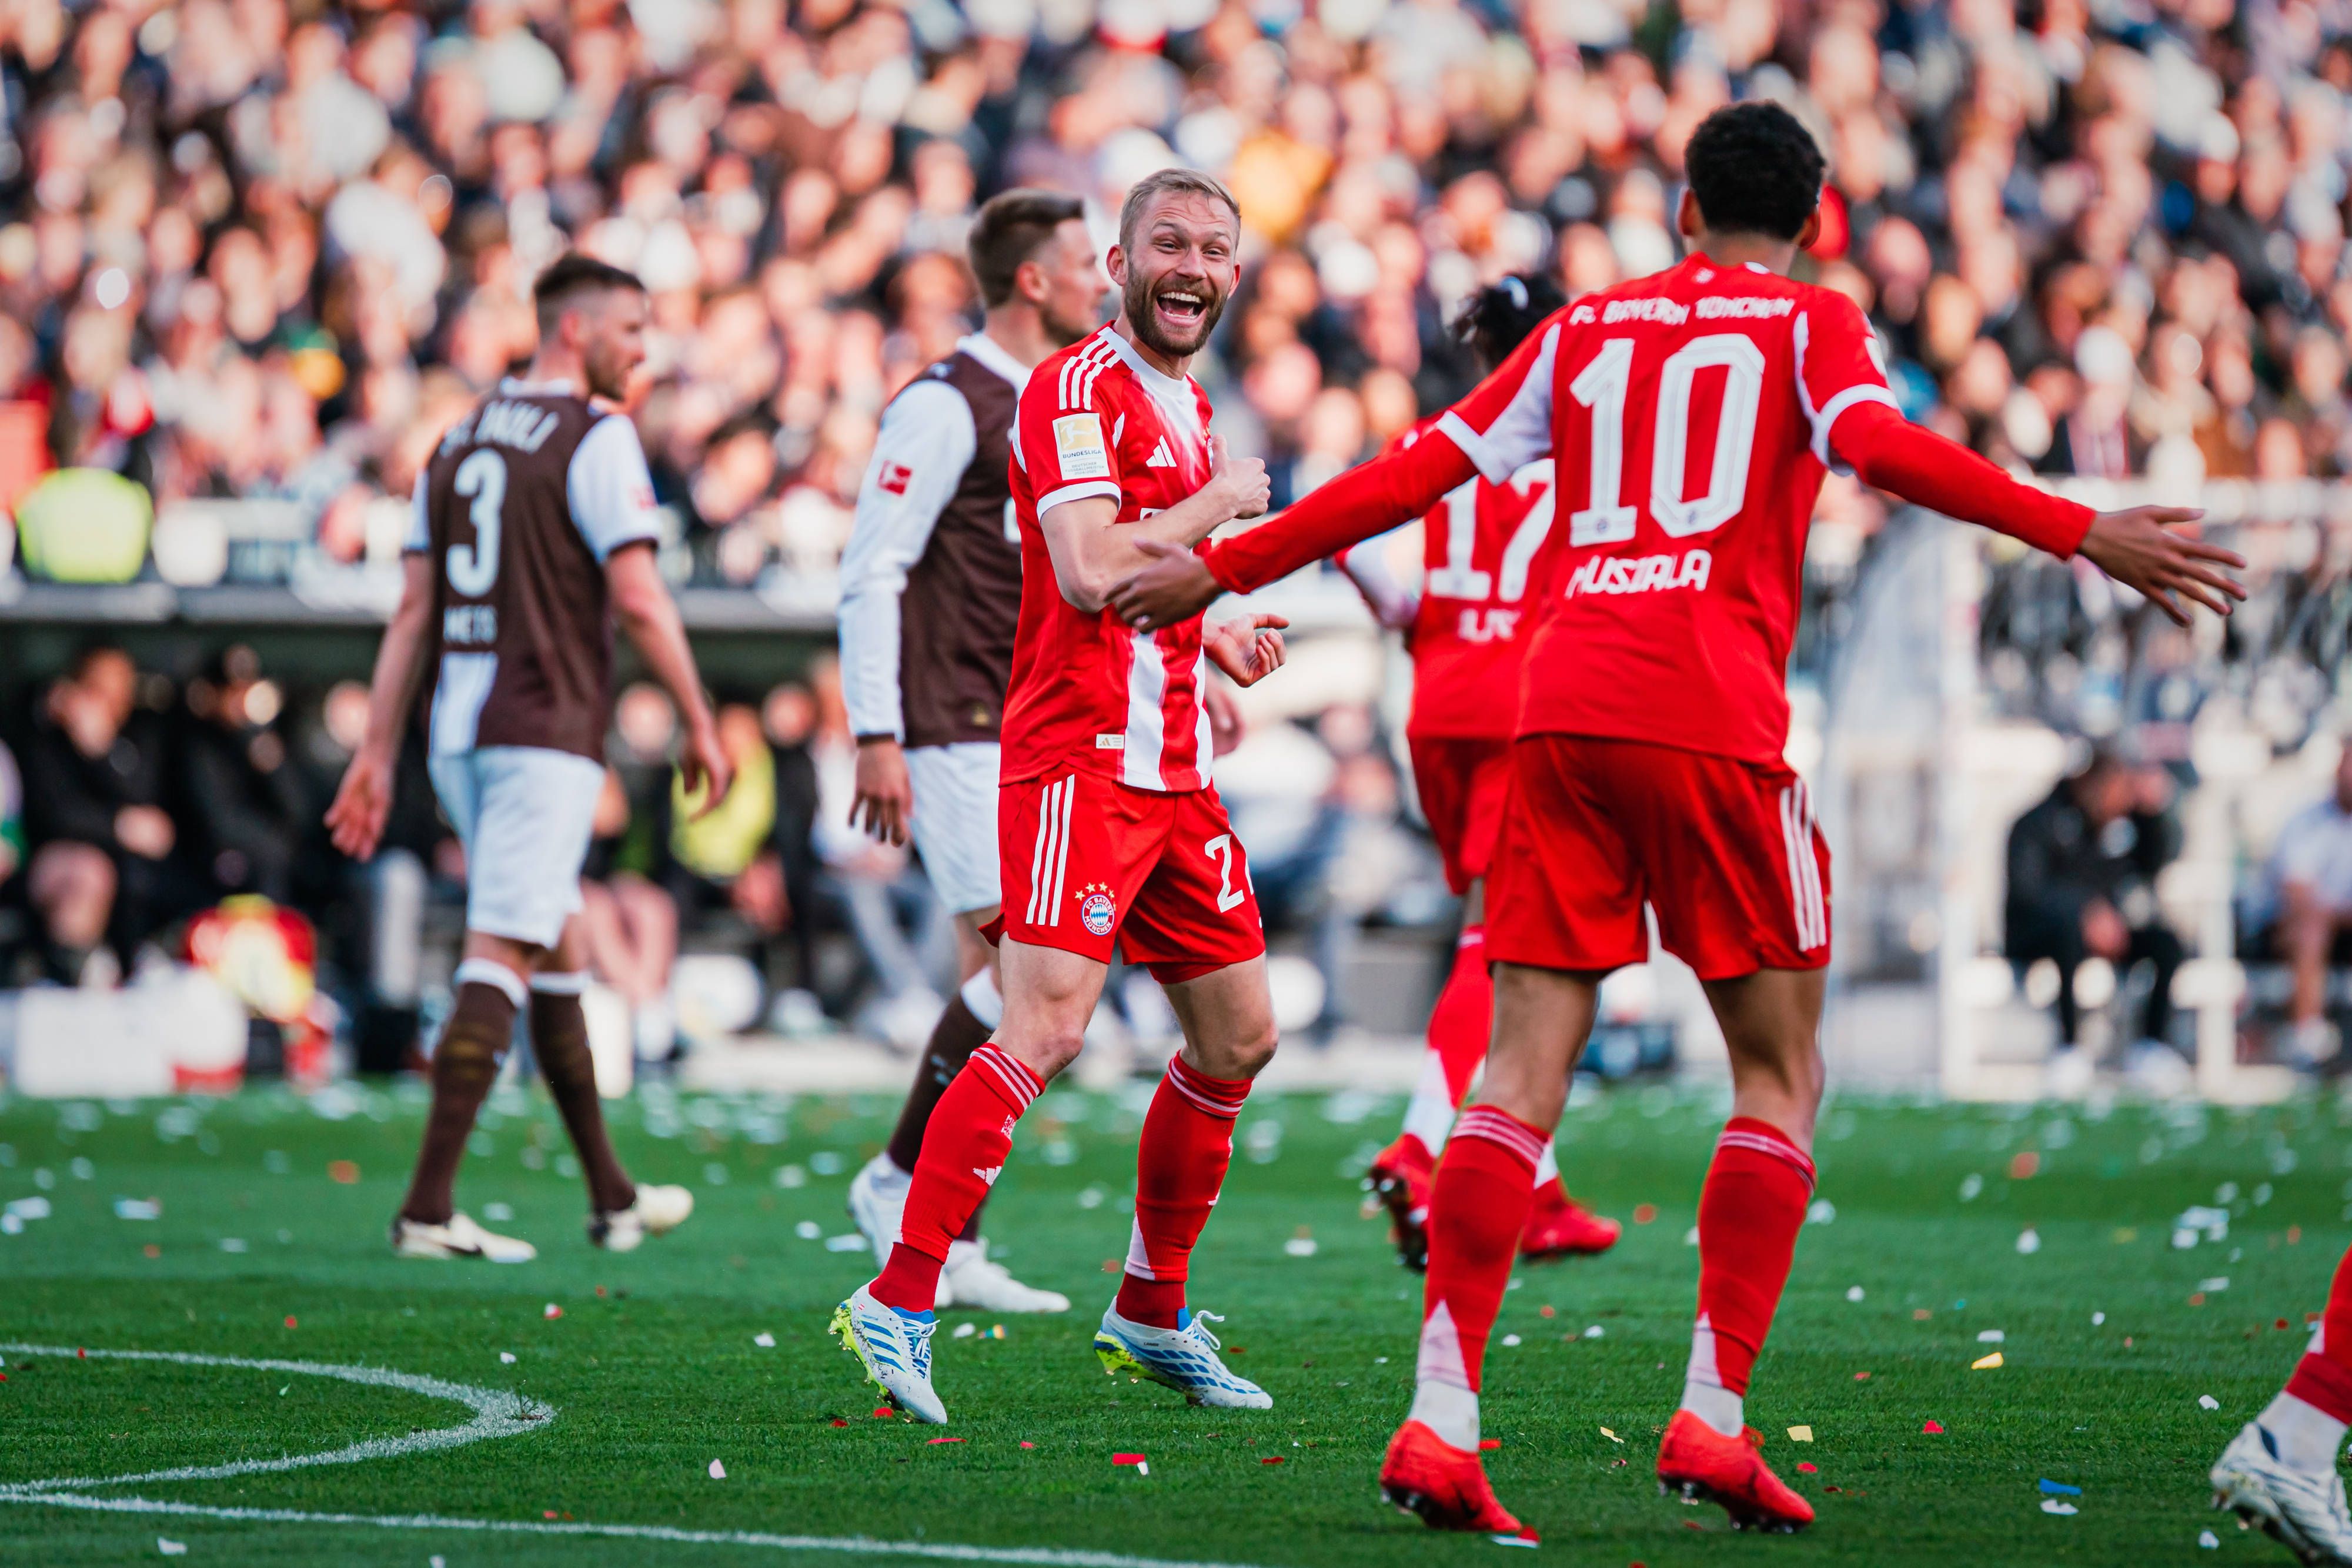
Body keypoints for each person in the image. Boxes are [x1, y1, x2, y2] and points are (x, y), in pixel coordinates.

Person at [1106, 101, 2241, 1535]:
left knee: (1514, 1073)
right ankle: (1709, 1416)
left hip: (1560, 707)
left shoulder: (1580, 335)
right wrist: (2081, 530)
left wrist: (1227, 565)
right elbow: (1883, 452)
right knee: (1776, 1076)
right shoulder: (1809, 327)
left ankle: (1440, 1421)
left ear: (1682, 213)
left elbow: (1414, 475)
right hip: (1712, 718)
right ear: (1814, 224)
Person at [830, 168, 1289, 1425]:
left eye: (1212, 248)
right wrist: (1223, 511)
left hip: (1173, 768)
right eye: (1166, 243)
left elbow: (1166, 566)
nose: (1190, 265)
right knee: (1039, 1025)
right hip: (1074, 759)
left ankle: (1147, 1309)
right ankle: (902, 1291)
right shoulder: (1069, 388)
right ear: (1118, 267)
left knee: (1237, 1035)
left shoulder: (1185, 406)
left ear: (1232, 275)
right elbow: (1088, 569)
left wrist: (1230, 619)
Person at [327, 253, 734, 1263]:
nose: (642, 351)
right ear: (572, 329)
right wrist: (701, 716)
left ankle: (613, 1194)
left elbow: (413, 611)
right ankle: (427, 1207)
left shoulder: (456, 438)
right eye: (630, 330)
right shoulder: (594, 436)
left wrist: (378, 751)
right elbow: (639, 596)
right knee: (503, 950)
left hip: (461, 732)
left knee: (562, 947)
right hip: (542, 730)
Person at [836, 188, 1102, 1316]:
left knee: (1016, 987)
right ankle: (904, 1186)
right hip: (957, 724)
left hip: (1034, 720)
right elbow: (871, 566)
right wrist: (876, 729)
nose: (1106, 279)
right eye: (1089, 262)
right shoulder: (949, 403)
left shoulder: (1068, 400)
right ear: (1033, 280)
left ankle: (938, 1227)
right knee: (1024, 982)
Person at [1341, 274, 1619, 1272]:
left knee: (1498, 932)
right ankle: (1422, 1146)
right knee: (1508, 942)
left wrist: (1420, 619)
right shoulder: (1579, 447)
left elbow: (1364, 557)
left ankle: (1538, 1191)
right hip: (1528, 708)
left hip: (1441, 703)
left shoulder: (1437, 438)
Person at [2002, 749, 2184, 1076]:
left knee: (2166, 943)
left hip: (2105, 937)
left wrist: (2153, 813)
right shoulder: (2039, 823)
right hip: (2043, 936)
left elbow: (2154, 864)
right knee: (2068, 933)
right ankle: (2069, 1046)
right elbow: (2028, 893)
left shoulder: (2121, 827)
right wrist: (2085, 914)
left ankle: (2152, 1047)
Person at [20, 644, 186, 985]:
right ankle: (70, 981)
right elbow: (53, 815)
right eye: (100, 689)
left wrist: (99, 750)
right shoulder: (46, 736)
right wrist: (117, 826)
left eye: (122, 689)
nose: (112, 700)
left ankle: (137, 973)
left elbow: (150, 813)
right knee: (87, 872)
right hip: (60, 862)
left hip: (136, 875)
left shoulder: (139, 735)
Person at [2256, 744, 2352, 1067]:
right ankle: (2307, 1038)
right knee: (2311, 926)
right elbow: (2297, 896)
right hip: (2290, 930)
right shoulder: (2304, 821)